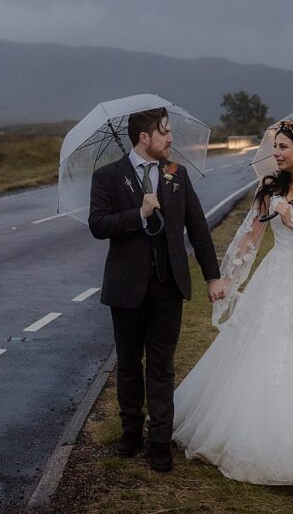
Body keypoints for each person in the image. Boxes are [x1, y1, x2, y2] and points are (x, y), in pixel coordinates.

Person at [172, 119, 293, 489]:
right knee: (269, 348)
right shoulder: (270, 189)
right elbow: (248, 241)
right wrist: (225, 281)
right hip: (280, 276)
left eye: (283, 147)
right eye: (275, 148)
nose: (277, 154)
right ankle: (260, 434)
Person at [88, 106, 228, 472]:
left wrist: (213, 276)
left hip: (169, 286)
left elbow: (198, 227)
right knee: (130, 364)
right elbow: (98, 224)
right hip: (126, 288)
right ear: (144, 137)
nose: (171, 139)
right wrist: (140, 214)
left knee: (162, 366)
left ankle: (160, 441)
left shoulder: (177, 175)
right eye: (164, 132)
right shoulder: (107, 176)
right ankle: (130, 434)